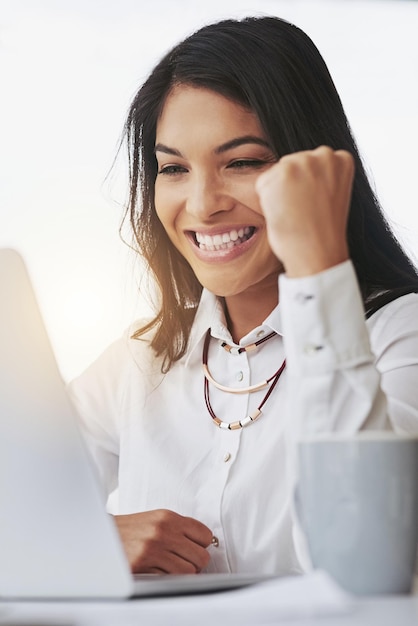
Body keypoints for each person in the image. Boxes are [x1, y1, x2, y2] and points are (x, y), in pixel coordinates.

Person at [68, 16, 418, 576]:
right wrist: (87, 540)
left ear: (313, 166)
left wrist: (317, 263)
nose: (203, 204)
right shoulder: (141, 361)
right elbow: (18, 504)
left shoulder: (401, 334)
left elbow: (365, 562)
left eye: (243, 161)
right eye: (174, 168)